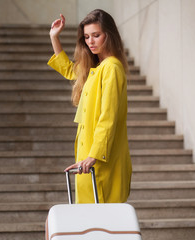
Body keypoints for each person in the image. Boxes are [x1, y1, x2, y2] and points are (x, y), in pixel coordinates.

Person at [48, 9, 132, 204]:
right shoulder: (96, 68)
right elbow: (70, 71)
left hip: (101, 160)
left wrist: (94, 155)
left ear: (109, 36)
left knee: (102, 224)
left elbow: (108, 116)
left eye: (96, 35)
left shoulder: (111, 68)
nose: (90, 42)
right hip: (88, 160)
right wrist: (54, 37)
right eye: (86, 37)